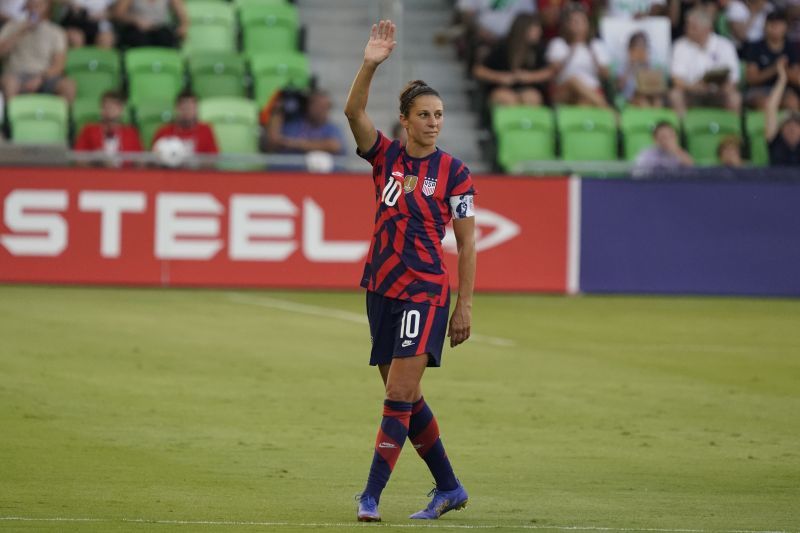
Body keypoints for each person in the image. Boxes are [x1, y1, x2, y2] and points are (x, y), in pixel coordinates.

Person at [344, 20, 476, 523]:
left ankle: (370, 497)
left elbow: (466, 244)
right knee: (406, 395)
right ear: (404, 119)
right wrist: (370, 63)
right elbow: (352, 111)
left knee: (398, 393)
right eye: (424, 114)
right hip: (380, 286)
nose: (434, 122)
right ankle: (449, 487)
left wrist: (463, 303)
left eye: (439, 115)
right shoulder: (384, 157)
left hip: (425, 290)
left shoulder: (456, 173)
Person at [669, 7, 741, 116]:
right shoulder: (680, 45)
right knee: (675, 94)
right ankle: (682, 130)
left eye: (693, 27)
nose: (687, 29)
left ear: (707, 29)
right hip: (691, 93)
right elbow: (676, 79)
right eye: (687, 25)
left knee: (734, 97)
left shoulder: (725, 45)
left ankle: (734, 130)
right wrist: (694, 87)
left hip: (718, 93)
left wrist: (721, 89)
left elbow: (734, 79)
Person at [0, 0, 76, 103]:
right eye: (31, 5)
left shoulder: (56, 31)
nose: (34, 9)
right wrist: (21, 31)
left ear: (47, 7)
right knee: (10, 83)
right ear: (26, 6)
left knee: (68, 86)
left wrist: (40, 79)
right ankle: (11, 117)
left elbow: (59, 65)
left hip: (44, 76)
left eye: (38, 5)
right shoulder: (12, 26)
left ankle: (63, 118)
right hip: (16, 74)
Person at [472, 14, 553, 107]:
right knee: (507, 98)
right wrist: (500, 77)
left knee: (531, 97)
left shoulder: (540, 49)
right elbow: (478, 70)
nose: (539, 32)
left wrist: (528, 77)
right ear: (523, 29)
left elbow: (550, 71)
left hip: (529, 89)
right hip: (503, 88)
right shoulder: (503, 47)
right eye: (535, 29)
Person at [546, 5, 611, 107]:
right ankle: (607, 109)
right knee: (574, 81)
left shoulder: (596, 45)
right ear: (566, 25)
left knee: (583, 102)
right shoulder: (558, 44)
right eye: (573, 22)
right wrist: (570, 52)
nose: (577, 26)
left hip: (591, 91)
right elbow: (553, 73)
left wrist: (593, 55)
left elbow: (606, 75)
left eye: (580, 22)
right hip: (564, 91)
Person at [743, 10, 800, 111]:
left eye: (778, 24)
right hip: (759, 90)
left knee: (792, 102)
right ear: (765, 26)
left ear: (785, 27)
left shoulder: (791, 48)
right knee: (766, 103)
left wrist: (782, 69)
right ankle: (769, 127)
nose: (775, 28)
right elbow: (751, 79)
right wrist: (774, 69)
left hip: (785, 90)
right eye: (771, 24)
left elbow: (797, 78)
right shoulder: (755, 47)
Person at [267, 89, 345, 155]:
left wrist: (296, 144)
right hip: (289, 171)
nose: (323, 111)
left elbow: (334, 146)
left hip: (321, 172)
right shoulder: (294, 124)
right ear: (309, 105)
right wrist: (278, 111)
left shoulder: (331, 128)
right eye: (319, 106)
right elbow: (274, 142)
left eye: (326, 107)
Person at [74, 90, 142, 165]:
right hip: (96, 174)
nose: (109, 110)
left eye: (113, 106)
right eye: (106, 106)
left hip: (125, 175)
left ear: (121, 110)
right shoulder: (89, 130)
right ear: (101, 109)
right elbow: (78, 160)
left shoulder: (131, 133)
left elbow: (141, 162)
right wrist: (94, 158)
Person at [152, 90, 218, 164]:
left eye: (191, 108)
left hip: (197, 173)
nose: (187, 111)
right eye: (184, 108)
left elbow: (213, 160)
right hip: (171, 173)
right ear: (176, 109)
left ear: (197, 109)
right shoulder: (163, 131)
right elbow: (152, 160)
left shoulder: (205, 130)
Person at [616, 31, 666, 108]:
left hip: (649, 95)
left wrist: (646, 65)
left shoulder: (651, 64)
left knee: (657, 101)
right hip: (631, 97)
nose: (640, 50)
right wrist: (631, 65)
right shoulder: (623, 65)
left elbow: (656, 86)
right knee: (643, 102)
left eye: (643, 46)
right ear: (630, 49)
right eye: (637, 46)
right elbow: (619, 87)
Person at [112, 0, 188, 49]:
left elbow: (182, 16)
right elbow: (118, 14)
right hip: (137, 30)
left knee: (165, 37)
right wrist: (136, 21)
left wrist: (183, 27)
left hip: (159, 30)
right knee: (139, 38)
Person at [766, 57, 800, 165]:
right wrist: (782, 80)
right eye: (788, 125)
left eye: (796, 125)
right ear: (781, 129)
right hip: (777, 181)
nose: (792, 128)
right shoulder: (775, 141)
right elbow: (771, 107)